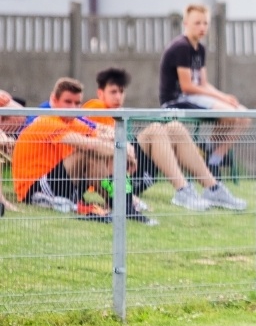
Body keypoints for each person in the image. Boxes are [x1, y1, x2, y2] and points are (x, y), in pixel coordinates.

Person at [84, 67, 246, 211]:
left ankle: (213, 188)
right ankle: (182, 190)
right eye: (113, 92)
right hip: (114, 179)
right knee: (155, 129)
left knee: (175, 127)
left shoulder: (119, 112)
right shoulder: (96, 107)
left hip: (134, 169)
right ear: (100, 93)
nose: (118, 96)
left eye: (121, 91)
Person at [11, 77, 153, 223]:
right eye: (68, 102)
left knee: (101, 153)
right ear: (54, 100)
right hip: (34, 190)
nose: (73, 107)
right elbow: (88, 144)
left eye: (77, 103)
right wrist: (123, 152)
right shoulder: (47, 120)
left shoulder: (72, 121)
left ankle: (123, 205)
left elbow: (102, 134)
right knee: (89, 152)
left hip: (62, 182)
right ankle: (125, 203)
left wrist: (124, 147)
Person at [159, 3, 249, 178]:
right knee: (230, 114)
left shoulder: (200, 49)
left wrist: (224, 97)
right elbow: (188, 87)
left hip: (194, 96)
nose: (202, 27)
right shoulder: (181, 47)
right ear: (186, 23)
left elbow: (203, 83)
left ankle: (214, 157)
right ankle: (206, 152)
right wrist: (221, 100)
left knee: (244, 116)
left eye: (205, 23)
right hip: (177, 99)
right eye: (197, 23)